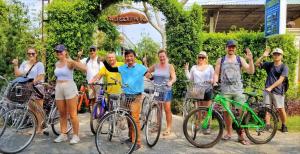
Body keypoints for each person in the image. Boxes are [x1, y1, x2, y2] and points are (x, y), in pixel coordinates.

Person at [102, 49, 148, 151]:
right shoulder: (123, 68)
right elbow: (110, 69)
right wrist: (104, 61)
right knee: (128, 118)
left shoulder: (141, 68)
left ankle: (138, 142)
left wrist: (153, 78)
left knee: (135, 119)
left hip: (136, 96)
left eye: (131, 56)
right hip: (126, 96)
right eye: (127, 56)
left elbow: (149, 75)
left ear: (134, 57)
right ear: (125, 58)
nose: (129, 58)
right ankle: (131, 138)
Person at [213, 40, 255, 145]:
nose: (231, 48)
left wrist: (250, 60)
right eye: (229, 47)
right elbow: (216, 73)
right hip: (225, 90)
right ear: (226, 48)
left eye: (233, 47)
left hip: (238, 90)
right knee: (226, 113)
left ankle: (241, 135)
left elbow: (251, 71)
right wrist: (214, 82)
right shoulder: (221, 60)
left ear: (235, 48)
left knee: (242, 110)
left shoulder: (239, 59)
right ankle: (229, 133)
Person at [53, 44, 86, 144]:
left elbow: (84, 69)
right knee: (62, 113)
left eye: (61, 51)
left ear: (65, 51)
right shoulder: (56, 64)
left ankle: (76, 136)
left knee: (72, 114)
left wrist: (75, 61)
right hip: (59, 87)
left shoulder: (70, 62)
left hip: (69, 87)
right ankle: (63, 134)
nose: (59, 53)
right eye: (57, 52)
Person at [12, 47, 45, 134]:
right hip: (27, 88)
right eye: (29, 53)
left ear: (36, 54)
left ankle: (39, 129)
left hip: (37, 88)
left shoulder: (39, 64)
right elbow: (18, 74)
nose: (31, 55)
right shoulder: (24, 63)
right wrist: (15, 65)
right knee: (31, 109)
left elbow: (40, 76)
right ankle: (36, 128)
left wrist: (32, 82)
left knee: (38, 108)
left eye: (33, 53)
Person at [255, 47, 288, 133]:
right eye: (275, 54)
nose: (276, 55)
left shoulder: (284, 67)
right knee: (267, 108)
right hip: (267, 91)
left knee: (280, 109)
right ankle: (268, 125)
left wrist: (271, 87)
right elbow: (256, 64)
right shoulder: (269, 65)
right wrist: (263, 56)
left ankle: (284, 125)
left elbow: (281, 80)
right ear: (272, 55)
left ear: (281, 56)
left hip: (278, 91)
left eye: (278, 54)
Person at [147, 49, 176, 136]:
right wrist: (150, 76)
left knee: (167, 109)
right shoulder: (155, 66)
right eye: (160, 57)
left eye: (163, 56)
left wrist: (171, 82)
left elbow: (174, 77)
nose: (162, 58)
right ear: (158, 57)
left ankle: (168, 128)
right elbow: (148, 71)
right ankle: (158, 125)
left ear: (166, 56)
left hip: (166, 90)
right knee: (158, 108)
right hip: (157, 90)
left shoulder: (170, 66)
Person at [77, 46, 104, 110]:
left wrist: (97, 80)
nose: (92, 52)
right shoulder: (86, 60)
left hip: (98, 84)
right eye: (90, 50)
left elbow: (102, 72)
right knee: (92, 99)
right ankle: (93, 114)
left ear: (96, 51)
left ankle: (100, 114)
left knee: (99, 99)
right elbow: (78, 63)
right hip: (90, 84)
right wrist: (78, 56)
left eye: (93, 50)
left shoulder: (99, 60)